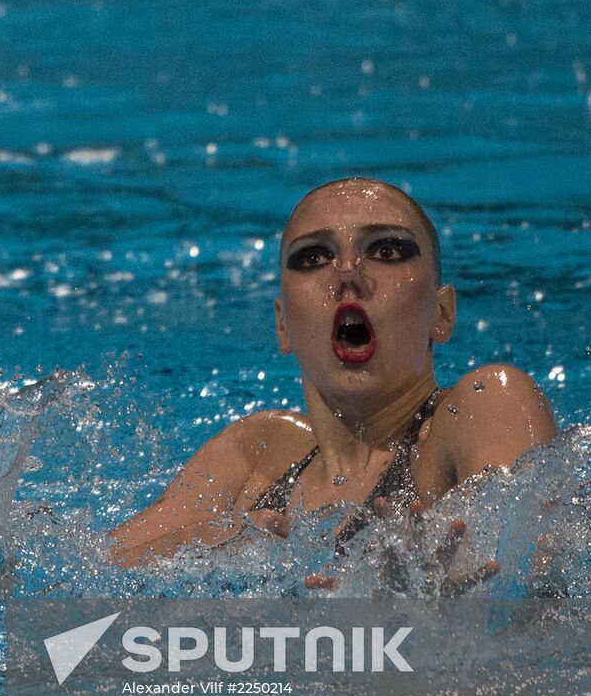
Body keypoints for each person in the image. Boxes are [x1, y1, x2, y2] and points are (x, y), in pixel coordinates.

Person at [108, 178, 556, 573]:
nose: (347, 273)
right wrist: (227, 543)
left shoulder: (485, 405)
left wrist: (434, 617)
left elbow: (539, 584)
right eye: (315, 257)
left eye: (385, 250)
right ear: (283, 325)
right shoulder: (260, 453)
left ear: (441, 313)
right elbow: (92, 570)